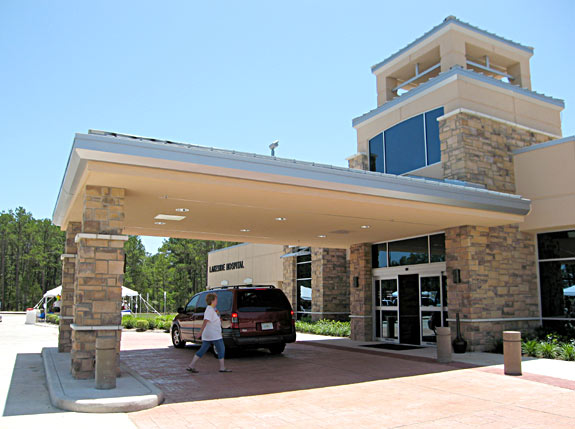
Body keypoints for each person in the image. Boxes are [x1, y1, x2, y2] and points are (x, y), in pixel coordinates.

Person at [186, 293, 232, 373]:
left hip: (210, 334)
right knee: (221, 349)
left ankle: (191, 365)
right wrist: (200, 332)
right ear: (213, 300)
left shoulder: (213, 309)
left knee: (203, 349)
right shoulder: (209, 310)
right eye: (216, 299)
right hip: (214, 334)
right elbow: (205, 321)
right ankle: (222, 367)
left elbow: (215, 319)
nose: (217, 300)